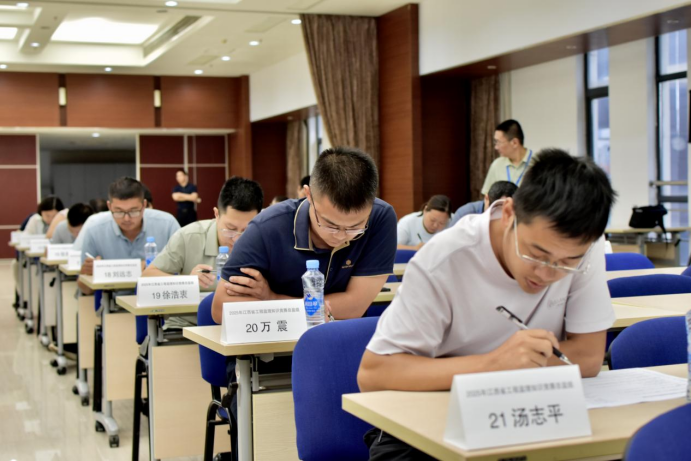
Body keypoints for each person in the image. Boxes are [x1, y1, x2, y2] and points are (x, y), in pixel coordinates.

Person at [357, 149, 617, 460]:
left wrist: (512, 367)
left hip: (530, 414)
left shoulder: (582, 247)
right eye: (536, 254)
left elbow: (588, 357)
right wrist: (494, 364)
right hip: (429, 419)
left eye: (566, 263)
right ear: (509, 213)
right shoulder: (444, 259)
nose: (547, 274)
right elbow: (374, 374)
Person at [211, 146, 397, 324]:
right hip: (274, 343)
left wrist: (272, 299)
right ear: (308, 195)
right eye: (330, 225)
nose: (341, 236)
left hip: (339, 338)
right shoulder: (268, 227)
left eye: (355, 227)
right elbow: (221, 309)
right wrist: (306, 309)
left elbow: (354, 306)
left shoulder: (380, 218)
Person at [143, 177, 264, 291]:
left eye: (246, 230)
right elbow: (148, 276)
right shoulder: (187, 237)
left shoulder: (265, 240)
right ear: (216, 214)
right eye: (230, 229)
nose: (237, 239)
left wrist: (265, 291)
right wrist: (187, 281)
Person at [75, 177, 180, 295]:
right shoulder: (94, 230)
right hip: (113, 302)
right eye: (119, 211)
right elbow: (85, 289)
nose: (126, 218)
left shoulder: (167, 224)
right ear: (109, 206)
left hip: (160, 300)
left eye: (133, 211)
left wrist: (154, 268)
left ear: (144, 205)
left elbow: (184, 275)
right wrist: (85, 274)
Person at [481, 119, 536, 195]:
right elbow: (486, 195)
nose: (496, 147)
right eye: (495, 142)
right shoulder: (497, 165)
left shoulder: (538, 163)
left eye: (498, 142)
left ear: (514, 143)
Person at [450, 181, 518, 227]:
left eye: (509, 210)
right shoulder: (464, 214)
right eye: (498, 209)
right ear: (486, 199)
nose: (502, 216)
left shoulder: (518, 216)